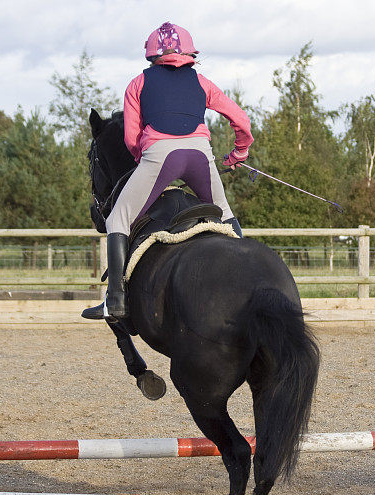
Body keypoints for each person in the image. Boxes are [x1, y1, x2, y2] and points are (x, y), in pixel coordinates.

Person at [87, 22, 253, 321]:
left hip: (159, 156)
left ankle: (115, 301)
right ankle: (249, 287)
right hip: (201, 155)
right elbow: (241, 119)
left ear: (152, 55)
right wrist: (239, 153)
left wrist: (146, 162)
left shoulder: (138, 83)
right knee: (226, 215)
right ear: (189, 53)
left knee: (118, 219)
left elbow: (130, 137)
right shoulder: (202, 82)